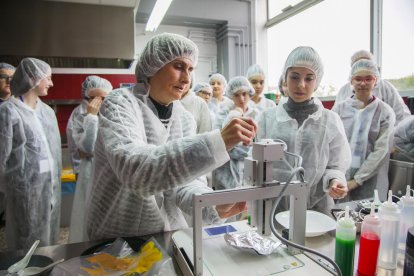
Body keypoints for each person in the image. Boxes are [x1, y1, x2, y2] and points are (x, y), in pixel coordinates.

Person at [85, 33, 256, 241]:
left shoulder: (183, 118)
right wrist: (217, 142)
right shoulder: (119, 104)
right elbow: (136, 171)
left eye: (190, 69)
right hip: (116, 235)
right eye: (178, 66)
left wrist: (212, 205)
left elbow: (185, 183)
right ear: (153, 66)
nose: (187, 78)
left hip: (163, 236)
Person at [257, 46, 351, 214]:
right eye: (294, 77)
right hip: (275, 206)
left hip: (317, 207)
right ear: (285, 78)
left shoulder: (330, 120)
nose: (301, 85)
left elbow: (336, 164)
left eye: (309, 78)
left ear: (317, 83)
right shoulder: (267, 119)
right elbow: (256, 163)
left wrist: (335, 180)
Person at [0, 58, 61, 250]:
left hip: (50, 189)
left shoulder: (47, 112)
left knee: (49, 241)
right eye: (48, 78)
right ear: (33, 78)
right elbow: (1, 156)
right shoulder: (8, 111)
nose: (51, 83)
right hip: (25, 191)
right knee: (27, 244)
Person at [332, 59, 395, 201]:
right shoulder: (339, 109)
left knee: (369, 219)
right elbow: (331, 145)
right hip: (340, 181)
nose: (363, 83)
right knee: (340, 218)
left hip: (371, 183)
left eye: (368, 79)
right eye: (358, 79)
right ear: (351, 81)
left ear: (376, 81)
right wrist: (336, 178)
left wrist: (357, 180)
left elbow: (381, 150)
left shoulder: (385, 112)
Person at [66, 75, 113, 243]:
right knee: (88, 215)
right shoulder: (79, 115)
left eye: (102, 98)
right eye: (92, 98)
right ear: (85, 97)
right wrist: (91, 118)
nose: (97, 103)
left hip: (109, 172)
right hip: (88, 172)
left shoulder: (113, 114)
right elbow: (86, 148)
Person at [334, 49, 410, 125]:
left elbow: (402, 115)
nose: (363, 83)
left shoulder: (386, 88)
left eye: (367, 64)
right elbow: (335, 121)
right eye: (359, 65)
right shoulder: (343, 91)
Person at [213, 76, 260, 191]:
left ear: (250, 93)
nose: (242, 98)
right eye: (237, 95)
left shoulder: (256, 114)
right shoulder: (223, 115)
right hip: (226, 171)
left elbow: (260, 143)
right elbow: (219, 143)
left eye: (244, 94)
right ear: (231, 96)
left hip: (251, 171)